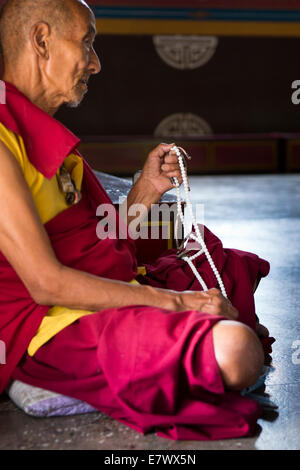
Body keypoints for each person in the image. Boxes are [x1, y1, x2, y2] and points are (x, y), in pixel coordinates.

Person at [0, 0, 273, 441]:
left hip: (94, 289)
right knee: (237, 350)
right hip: (50, 321)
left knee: (224, 263)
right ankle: (45, 380)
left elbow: (92, 247)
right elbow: (46, 282)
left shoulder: (39, 130)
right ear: (41, 40)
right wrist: (180, 303)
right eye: (86, 43)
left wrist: (146, 190)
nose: (96, 63)